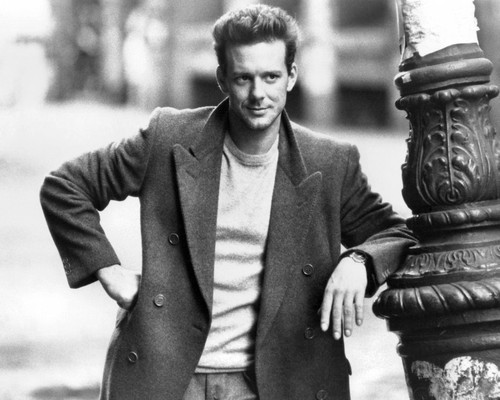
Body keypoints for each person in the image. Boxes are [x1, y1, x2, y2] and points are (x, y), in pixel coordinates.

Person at [40, 4, 415, 400]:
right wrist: (108, 270)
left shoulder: (330, 163)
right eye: (243, 78)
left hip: (271, 384)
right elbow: (66, 186)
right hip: (166, 376)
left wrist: (359, 262)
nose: (258, 94)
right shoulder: (168, 138)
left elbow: (397, 233)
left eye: (271, 77)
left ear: (291, 76)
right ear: (222, 78)